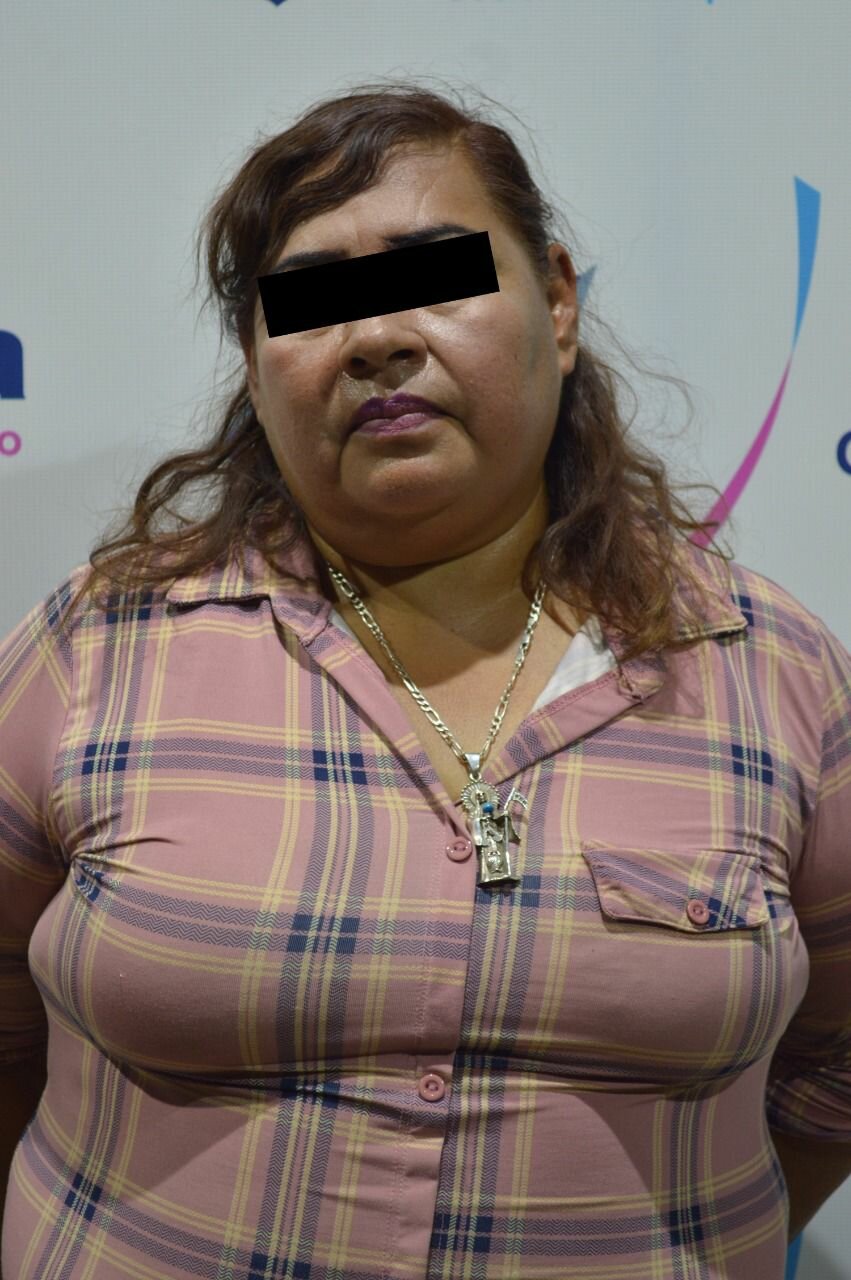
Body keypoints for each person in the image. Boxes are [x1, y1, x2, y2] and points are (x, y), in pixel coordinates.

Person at [2, 80, 850, 1280]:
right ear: (254, 367)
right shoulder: (99, 645)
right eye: (312, 302)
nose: (376, 338)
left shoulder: (771, 672)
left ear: (556, 302)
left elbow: (835, 1065)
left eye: (435, 276)